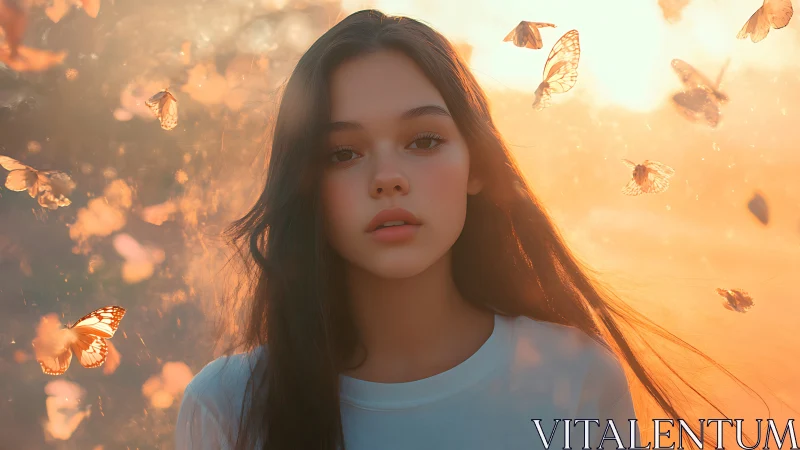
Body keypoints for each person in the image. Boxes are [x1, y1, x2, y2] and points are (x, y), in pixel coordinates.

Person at [175, 9, 750, 450]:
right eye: (343, 152)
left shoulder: (575, 375)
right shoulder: (228, 405)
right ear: (306, 185)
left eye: (423, 141)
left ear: (476, 166)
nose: (388, 178)